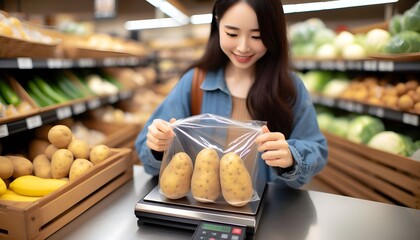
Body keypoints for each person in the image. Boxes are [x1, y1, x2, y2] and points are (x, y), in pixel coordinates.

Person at [135, 0, 328, 189]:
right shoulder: (194, 82)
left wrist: (291, 156)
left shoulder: (290, 87)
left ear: (273, 34)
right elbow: (145, 150)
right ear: (217, 24)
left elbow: (317, 150)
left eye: (257, 36)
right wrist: (157, 146)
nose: (243, 47)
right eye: (232, 33)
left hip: (270, 213)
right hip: (202, 208)